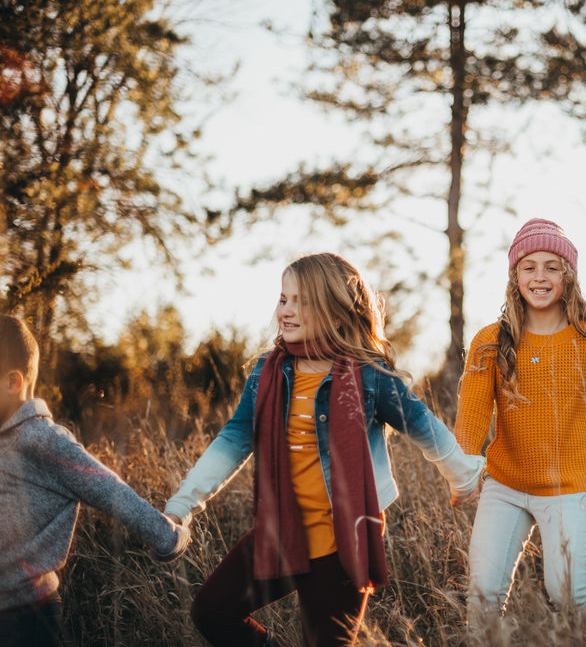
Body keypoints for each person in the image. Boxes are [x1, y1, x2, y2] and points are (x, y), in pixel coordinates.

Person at [163, 253, 485, 647]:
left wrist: (462, 473)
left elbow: (423, 426)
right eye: (284, 299)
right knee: (211, 612)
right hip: (282, 532)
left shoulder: (369, 375)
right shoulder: (268, 372)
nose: (287, 310)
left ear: (336, 315)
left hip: (342, 545)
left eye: (302, 301)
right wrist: (183, 504)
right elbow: (233, 440)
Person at [455, 218, 586, 630]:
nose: (539, 276)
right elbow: (472, 415)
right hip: (505, 485)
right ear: (515, 276)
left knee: (567, 593)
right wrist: (463, 470)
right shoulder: (489, 340)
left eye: (551, 266)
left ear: (568, 276)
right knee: (483, 595)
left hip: (567, 487)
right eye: (529, 266)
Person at [0, 315, 190, 647]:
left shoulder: (45, 441)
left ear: (13, 382)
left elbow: (110, 489)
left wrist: (168, 536)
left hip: (23, 616)